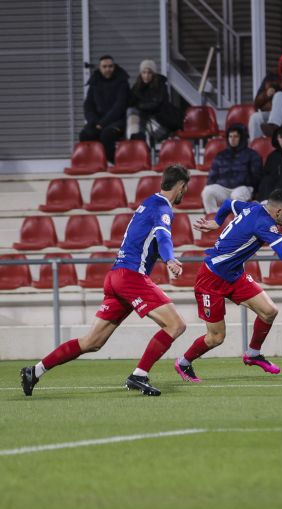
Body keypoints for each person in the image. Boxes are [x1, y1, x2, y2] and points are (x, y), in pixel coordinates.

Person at [20, 165, 192, 397]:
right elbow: (163, 237)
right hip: (131, 277)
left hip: (115, 277)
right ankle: (139, 375)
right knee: (176, 325)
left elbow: (147, 241)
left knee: (92, 342)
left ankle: (35, 371)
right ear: (180, 185)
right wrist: (170, 258)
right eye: (185, 188)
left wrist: (165, 257)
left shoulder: (147, 203)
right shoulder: (162, 208)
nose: (185, 192)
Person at [175, 190, 282, 382]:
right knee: (216, 337)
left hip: (234, 276)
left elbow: (228, 203)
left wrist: (217, 221)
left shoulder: (252, 207)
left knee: (269, 311)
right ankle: (184, 363)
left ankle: (253, 354)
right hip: (211, 279)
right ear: (279, 211)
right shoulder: (265, 224)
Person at [80, 55, 130, 163]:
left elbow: (119, 107)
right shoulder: (95, 82)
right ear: (100, 68)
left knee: (106, 134)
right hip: (97, 121)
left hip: (117, 122)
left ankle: (115, 163)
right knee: (85, 134)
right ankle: (93, 163)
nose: (108, 69)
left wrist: (102, 123)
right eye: (104, 66)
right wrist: (93, 121)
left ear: (114, 67)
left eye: (110, 66)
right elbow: (88, 105)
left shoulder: (122, 82)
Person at [201, 123, 262, 213]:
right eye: (230, 136)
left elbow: (257, 176)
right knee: (207, 191)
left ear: (241, 138)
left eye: (236, 136)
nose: (232, 139)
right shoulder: (221, 155)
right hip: (224, 188)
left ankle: (238, 223)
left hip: (244, 188)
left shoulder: (252, 155)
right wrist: (211, 185)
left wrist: (255, 193)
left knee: (236, 195)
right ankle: (214, 219)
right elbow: (212, 177)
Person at [127, 59, 183, 145]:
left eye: (149, 73)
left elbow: (156, 105)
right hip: (145, 119)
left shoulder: (160, 85)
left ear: (153, 74)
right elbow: (130, 102)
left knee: (141, 117)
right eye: (144, 72)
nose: (146, 75)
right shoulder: (137, 86)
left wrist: (139, 105)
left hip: (160, 119)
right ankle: (136, 138)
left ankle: (139, 139)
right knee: (132, 112)